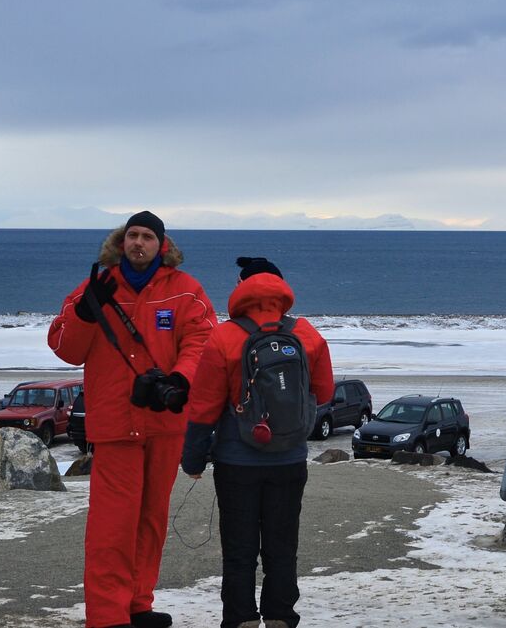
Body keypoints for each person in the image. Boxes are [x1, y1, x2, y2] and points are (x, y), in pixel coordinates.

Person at [48, 210, 217, 628]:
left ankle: (137, 603)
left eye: (147, 237)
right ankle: (108, 617)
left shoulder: (185, 290)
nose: (138, 243)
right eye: (132, 236)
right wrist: (85, 315)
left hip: (164, 420)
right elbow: (65, 347)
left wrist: (181, 379)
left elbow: (202, 339)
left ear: (163, 245)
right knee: (112, 525)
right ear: (121, 243)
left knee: (151, 518)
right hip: (115, 423)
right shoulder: (95, 287)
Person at [182, 257, 334, 628]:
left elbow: (203, 406)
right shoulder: (307, 333)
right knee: (283, 547)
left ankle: (242, 619)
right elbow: (325, 392)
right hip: (289, 460)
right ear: (282, 290)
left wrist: (194, 460)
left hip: (237, 462)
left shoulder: (225, 335)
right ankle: (280, 617)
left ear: (240, 288)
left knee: (239, 550)